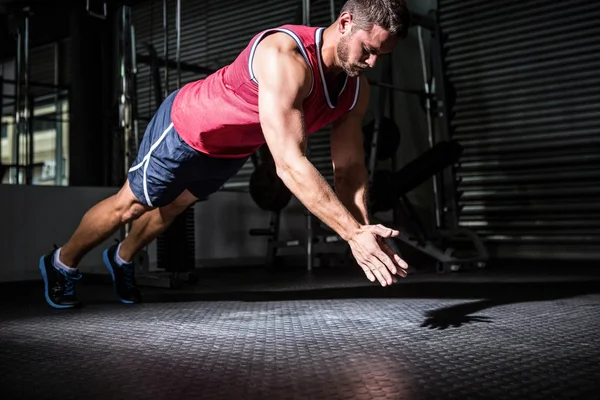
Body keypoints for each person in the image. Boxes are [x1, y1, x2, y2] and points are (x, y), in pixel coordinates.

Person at [39, 0, 411, 309]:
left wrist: (366, 230)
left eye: (383, 55)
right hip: (187, 128)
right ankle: (61, 263)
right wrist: (351, 234)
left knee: (172, 208)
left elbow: (348, 168)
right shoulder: (286, 58)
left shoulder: (354, 89)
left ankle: (121, 258)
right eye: (370, 49)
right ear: (345, 23)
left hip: (229, 151)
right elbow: (290, 164)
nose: (373, 63)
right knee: (130, 205)